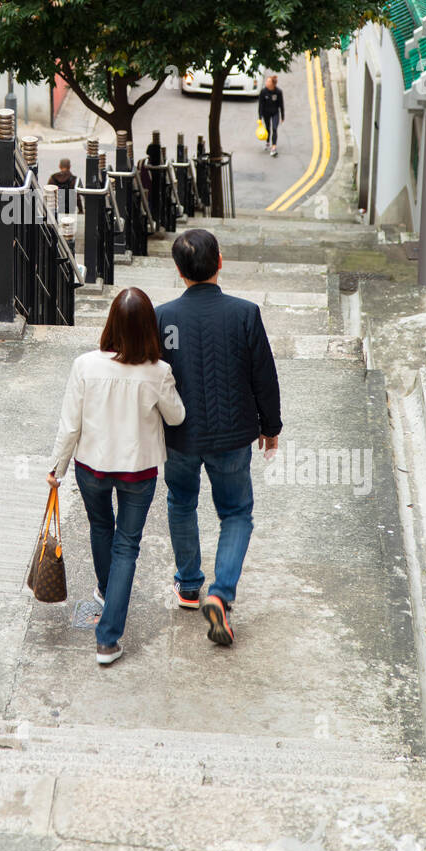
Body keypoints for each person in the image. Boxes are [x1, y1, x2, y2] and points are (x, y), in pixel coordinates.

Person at [155, 229, 281, 646]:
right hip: (232, 434)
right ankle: (221, 597)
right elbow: (263, 374)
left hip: (179, 435)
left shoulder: (163, 317)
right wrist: (271, 426)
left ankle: (189, 586)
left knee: (180, 501)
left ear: (178, 271)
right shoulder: (245, 314)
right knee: (236, 513)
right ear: (220, 262)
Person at [47, 288, 185, 666]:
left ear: (110, 323)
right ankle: (107, 640)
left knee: (100, 527)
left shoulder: (85, 366)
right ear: (148, 329)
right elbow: (177, 417)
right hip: (138, 469)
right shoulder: (158, 372)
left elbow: (69, 425)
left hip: (91, 465)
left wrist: (55, 469)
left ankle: (107, 591)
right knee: (127, 545)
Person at [258, 74, 285, 156]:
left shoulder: (278, 92)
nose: (266, 83)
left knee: (274, 129)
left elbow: (281, 104)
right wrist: (260, 116)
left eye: (268, 81)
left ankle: (274, 147)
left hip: (275, 113)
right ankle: (267, 142)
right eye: (267, 81)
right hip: (266, 113)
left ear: (273, 84)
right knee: (268, 128)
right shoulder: (263, 92)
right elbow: (260, 105)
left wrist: (283, 116)